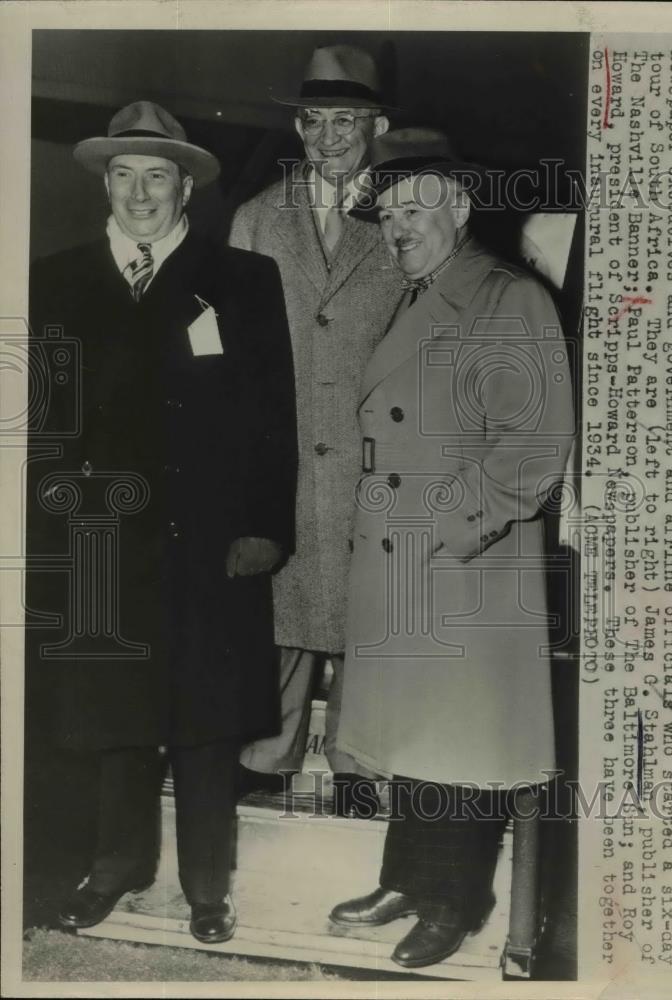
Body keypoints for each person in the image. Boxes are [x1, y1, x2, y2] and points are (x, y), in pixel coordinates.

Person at [26, 101, 297, 945]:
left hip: (208, 544)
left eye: (156, 176)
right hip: (100, 541)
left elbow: (271, 417)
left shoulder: (244, 282)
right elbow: (39, 425)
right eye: (123, 175)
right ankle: (116, 867)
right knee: (113, 717)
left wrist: (262, 526)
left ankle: (206, 885)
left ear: (186, 187)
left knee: (205, 721)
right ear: (104, 184)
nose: (139, 192)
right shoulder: (53, 279)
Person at [329, 129, 575, 968]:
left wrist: (444, 530)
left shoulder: (507, 297)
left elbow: (535, 449)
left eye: (415, 207)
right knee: (413, 735)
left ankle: (456, 902)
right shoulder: (419, 292)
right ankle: (407, 875)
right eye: (387, 213)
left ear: (460, 207)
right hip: (407, 559)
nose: (397, 227)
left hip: (466, 563)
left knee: (460, 743)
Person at [229, 45, 401, 812]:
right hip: (283, 457)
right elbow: (223, 346)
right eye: (314, 120)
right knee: (282, 614)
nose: (329, 136)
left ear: (377, 125)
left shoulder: (411, 211)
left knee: (370, 613)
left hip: (377, 457)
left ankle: (360, 771)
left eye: (346, 120)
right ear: (298, 127)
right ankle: (267, 762)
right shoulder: (255, 216)